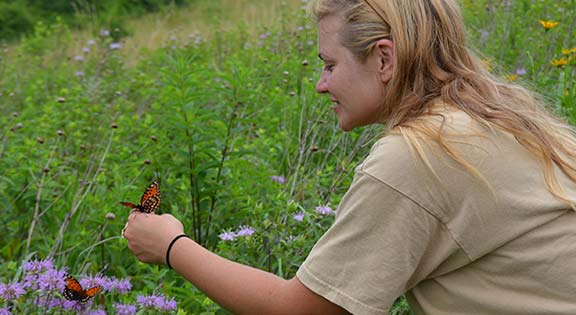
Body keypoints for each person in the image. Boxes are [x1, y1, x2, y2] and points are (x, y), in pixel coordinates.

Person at [124, 0, 576, 314]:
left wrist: (171, 247)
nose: (321, 85)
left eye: (329, 65)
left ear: (384, 59)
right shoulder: (496, 115)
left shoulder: (420, 154)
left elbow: (302, 311)